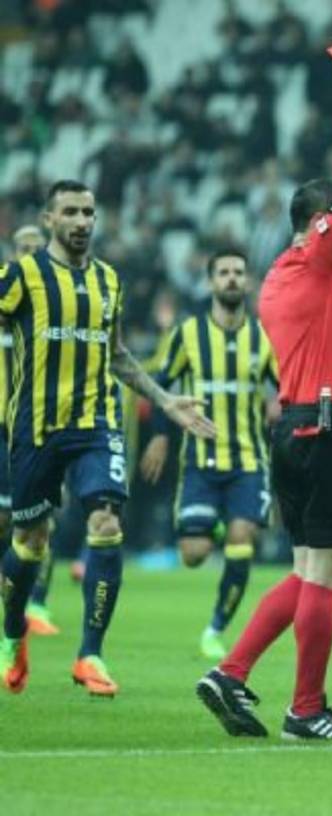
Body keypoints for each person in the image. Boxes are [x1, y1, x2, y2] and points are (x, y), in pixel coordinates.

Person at [195, 61, 332, 740]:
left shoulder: (285, 277)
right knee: (327, 576)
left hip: (297, 427)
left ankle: (232, 672)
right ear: (317, 223)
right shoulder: (312, 257)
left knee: (309, 571)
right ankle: (306, 708)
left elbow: (326, 348)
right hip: (325, 431)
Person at [0, 181, 215, 696]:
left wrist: (164, 400)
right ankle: (11, 633)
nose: (81, 221)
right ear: (50, 220)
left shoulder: (108, 280)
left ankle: (90, 655)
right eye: (70, 212)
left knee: (105, 523)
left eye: (88, 212)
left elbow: (116, 354)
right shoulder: (22, 275)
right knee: (30, 540)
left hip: (96, 424)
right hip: (36, 426)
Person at [138, 248, 278, 659]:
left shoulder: (264, 337)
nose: (232, 278)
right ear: (211, 281)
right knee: (194, 555)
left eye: (238, 272)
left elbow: (287, 386)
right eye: (224, 272)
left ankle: (215, 629)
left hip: (249, 460)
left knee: (242, 536)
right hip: (199, 462)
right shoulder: (188, 334)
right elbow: (161, 388)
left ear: (247, 281)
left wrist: (286, 411)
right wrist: (160, 436)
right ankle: (216, 526)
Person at [1, 225, 62, 637]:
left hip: (43, 423)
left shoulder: (54, 299)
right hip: (2, 424)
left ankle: (37, 602)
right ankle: (15, 596)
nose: (28, 253)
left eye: (35, 248)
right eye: (22, 248)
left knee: (41, 519)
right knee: (6, 517)